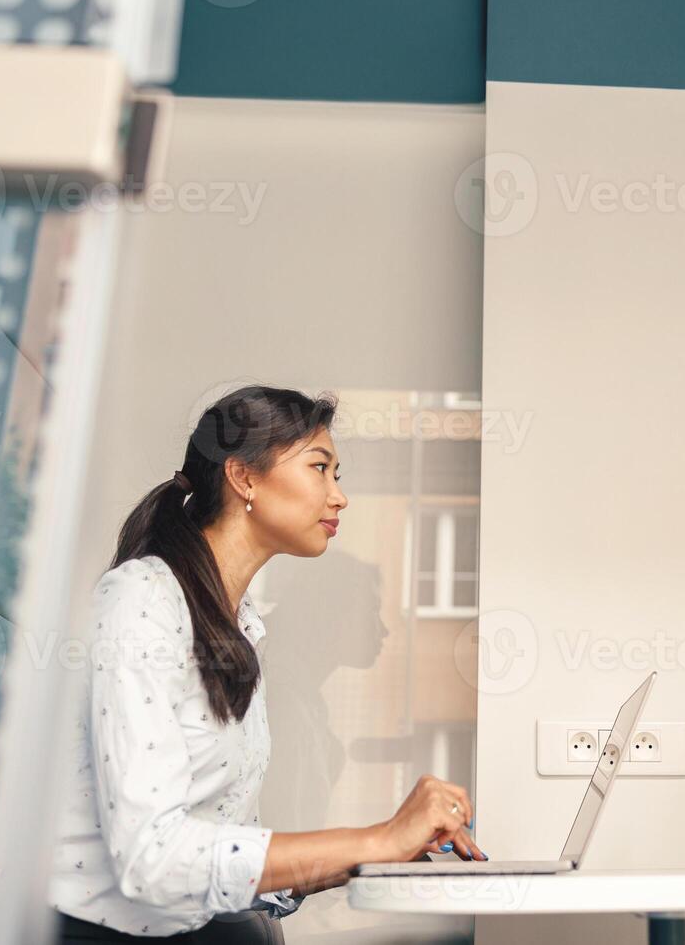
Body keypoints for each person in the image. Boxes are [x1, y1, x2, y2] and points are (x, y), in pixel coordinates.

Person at [48, 386, 484, 943]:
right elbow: (152, 861)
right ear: (244, 477)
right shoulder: (140, 601)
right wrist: (374, 838)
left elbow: (218, 860)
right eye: (320, 468)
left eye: (337, 473)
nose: (339, 497)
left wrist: (374, 857)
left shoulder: (238, 626)